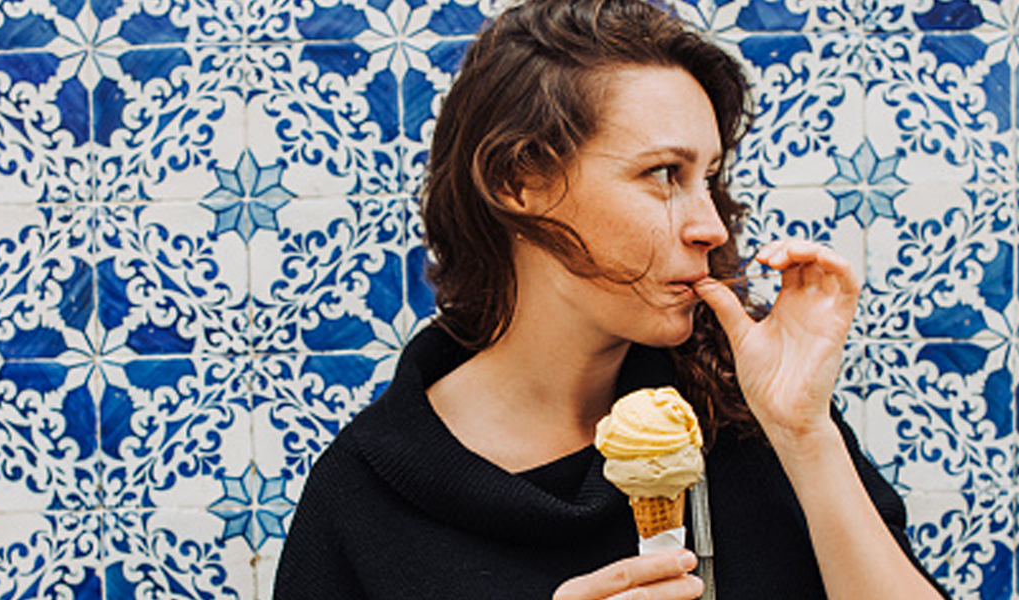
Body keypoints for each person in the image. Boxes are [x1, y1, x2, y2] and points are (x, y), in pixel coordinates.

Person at [273, 0, 952, 598]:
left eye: (709, 178)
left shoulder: (749, 417)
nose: (711, 226)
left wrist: (804, 434)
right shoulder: (362, 499)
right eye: (664, 174)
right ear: (518, 182)